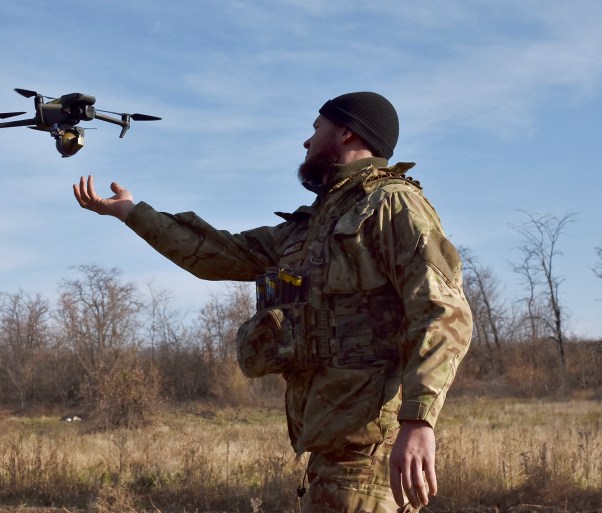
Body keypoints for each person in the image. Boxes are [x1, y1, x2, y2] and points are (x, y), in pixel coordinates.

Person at [73, 91, 472, 513]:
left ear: (347, 131)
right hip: (328, 451)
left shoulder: (392, 204)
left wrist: (418, 420)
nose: (306, 141)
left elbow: (444, 312)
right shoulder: (312, 224)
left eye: (316, 129)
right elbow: (217, 252)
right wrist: (132, 213)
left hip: (368, 452)